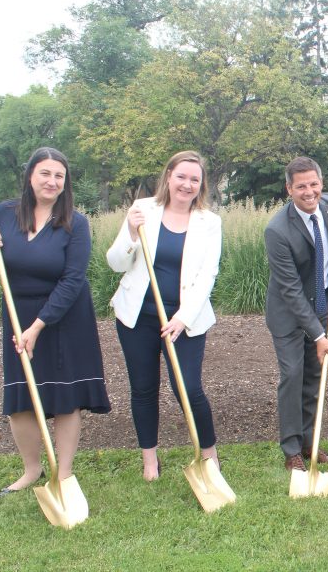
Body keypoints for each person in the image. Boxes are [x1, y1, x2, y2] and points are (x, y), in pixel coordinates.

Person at [0, 147, 110, 496]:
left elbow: (73, 279)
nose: (52, 181)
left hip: (64, 316)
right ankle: (31, 470)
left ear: (65, 182)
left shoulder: (75, 223)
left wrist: (38, 326)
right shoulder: (4, 214)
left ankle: (62, 473)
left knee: (66, 397)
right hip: (18, 314)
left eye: (59, 176)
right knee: (21, 397)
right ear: (30, 176)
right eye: (45, 173)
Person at [107, 150, 222, 481]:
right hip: (138, 318)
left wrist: (183, 318)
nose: (187, 184)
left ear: (201, 185)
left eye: (194, 180)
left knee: (188, 387)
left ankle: (209, 456)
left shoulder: (210, 223)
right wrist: (130, 232)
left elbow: (207, 276)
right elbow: (116, 263)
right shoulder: (143, 210)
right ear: (168, 176)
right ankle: (149, 460)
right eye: (181, 177)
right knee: (143, 388)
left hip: (186, 321)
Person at [265, 157, 328, 472]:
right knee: (292, 376)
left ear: (321, 183)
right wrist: (318, 336)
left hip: (321, 306)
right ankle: (291, 451)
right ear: (289, 189)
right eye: (301, 186)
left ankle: (309, 444)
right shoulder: (277, 231)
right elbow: (290, 290)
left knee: (314, 380)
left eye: (313, 184)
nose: (309, 191)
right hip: (288, 314)